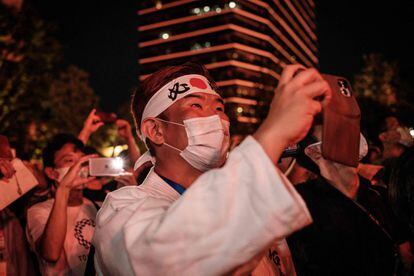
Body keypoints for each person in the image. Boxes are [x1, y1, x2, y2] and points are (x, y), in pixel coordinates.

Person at [92, 62, 332, 275]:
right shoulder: (121, 210)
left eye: (219, 108)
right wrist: (275, 132)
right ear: (156, 131)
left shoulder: (250, 194)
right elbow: (166, 260)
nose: (217, 119)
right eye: (196, 105)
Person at [287, 125, 412, 275]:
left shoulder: (380, 196)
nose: (347, 139)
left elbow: (406, 253)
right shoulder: (301, 202)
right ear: (314, 152)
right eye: (335, 134)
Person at [26, 134, 98, 275]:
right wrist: (63, 189)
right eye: (70, 161)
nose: (78, 167)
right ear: (52, 173)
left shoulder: (98, 206)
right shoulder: (39, 211)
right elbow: (51, 254)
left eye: (82, 161)